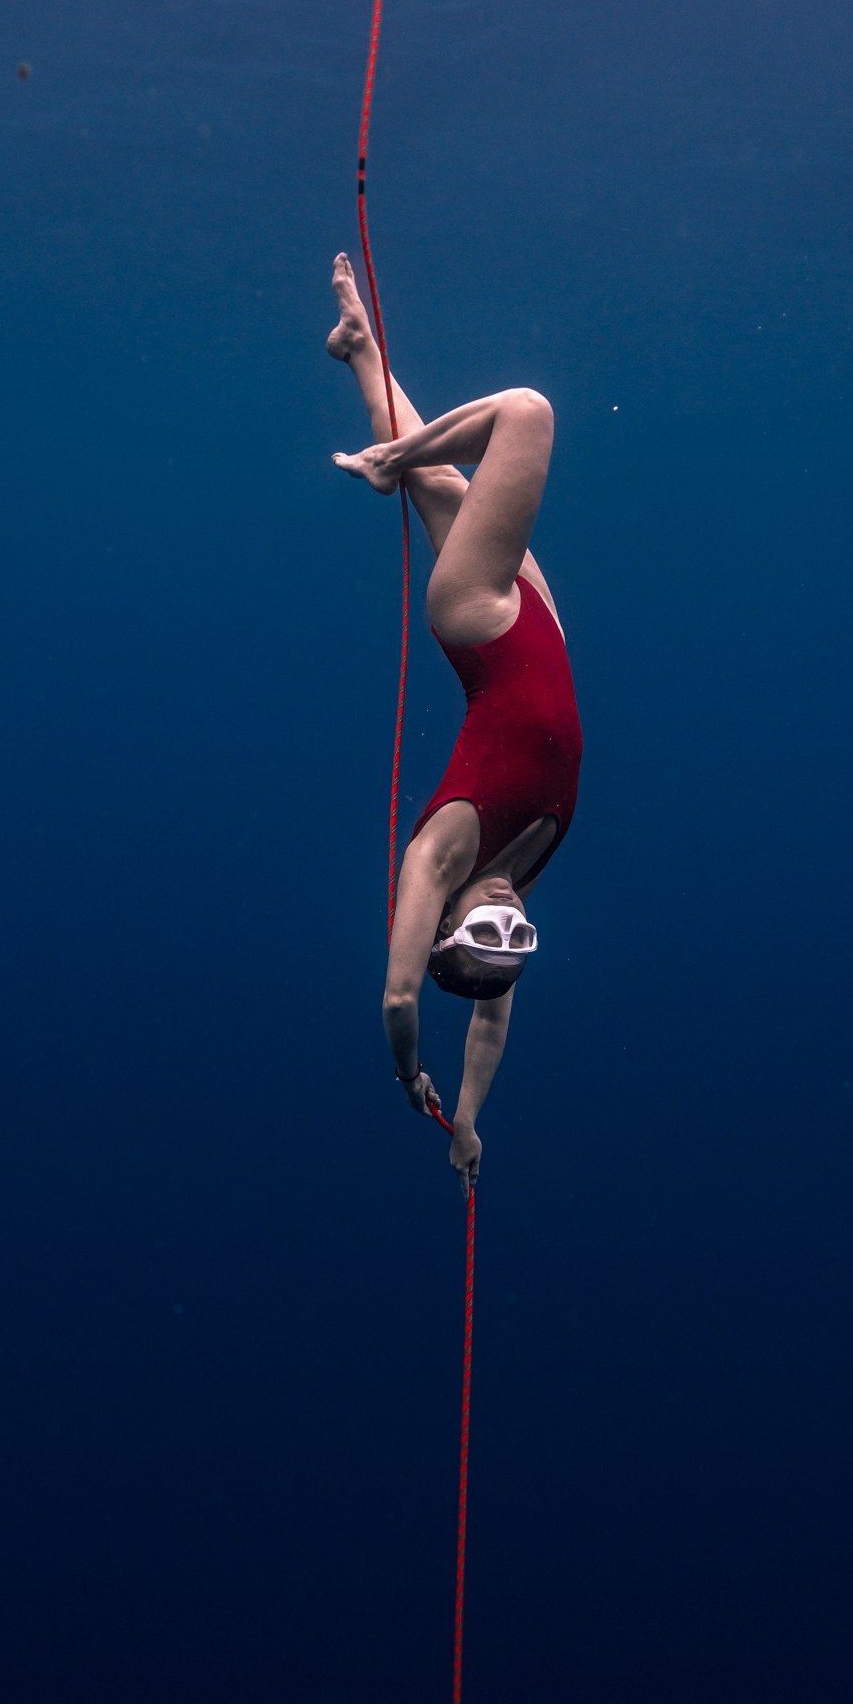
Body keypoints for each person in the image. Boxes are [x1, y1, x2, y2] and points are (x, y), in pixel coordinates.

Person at [328, 253, 582, 1197]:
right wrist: (467, 1120)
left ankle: (383, 461)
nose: (509, 920)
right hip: (535, 629)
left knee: (525, 413)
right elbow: (490, 1019)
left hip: (481, 621)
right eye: (517, 941)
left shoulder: (440, 859)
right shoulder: (511, 883)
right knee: (442, 482)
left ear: (444, 929)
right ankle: (359, 351)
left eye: (486, 932)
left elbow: (402, 997)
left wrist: (411, 1078)